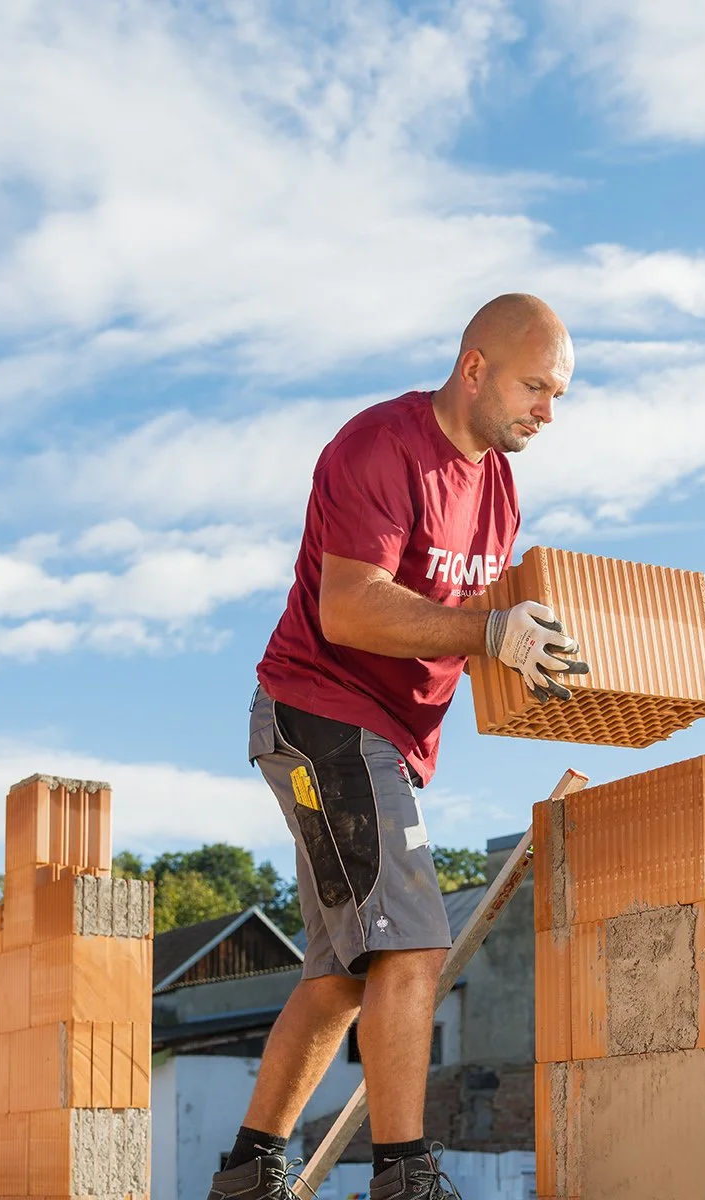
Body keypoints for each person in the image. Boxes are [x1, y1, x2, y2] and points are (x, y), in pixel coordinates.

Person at [208, 295, 588, 1200]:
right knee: (413, 944)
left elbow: (471, 624)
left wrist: (530, 653)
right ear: (476, 367)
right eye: (537, 387)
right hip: (322, 713)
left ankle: (248, 1174)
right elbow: (349, 607)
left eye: (560, 395)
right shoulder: (381, 446)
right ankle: (405, 1175)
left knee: (344, 974)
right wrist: (490, 633)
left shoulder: (498, 488)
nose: (548, 410)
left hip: (388, 740)